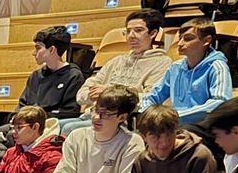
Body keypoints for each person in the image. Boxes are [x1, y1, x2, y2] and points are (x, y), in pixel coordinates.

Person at [63, 8, 173, 136]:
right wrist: (92, 95)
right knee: (53, 126)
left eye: (138, 30)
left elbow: (150, 99)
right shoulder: (116, 61)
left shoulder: (162, 62)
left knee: (69, 129)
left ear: (153, 33)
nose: (131, 36)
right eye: (128, 31)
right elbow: (81, 95)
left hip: (124, 121)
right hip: (93, 116)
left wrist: (108, 93)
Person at [49, 84, 143, 173]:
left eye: (105, 114)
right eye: (95, 111)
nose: (96, 117)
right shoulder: (76, 136)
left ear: (122, 117)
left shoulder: (132, 142)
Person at [139, 18, 233, 126]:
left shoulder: (217, 66)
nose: (180, 43)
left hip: (204, 126)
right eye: (180, 38)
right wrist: (147, 113)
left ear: (207, 41)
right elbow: (152, 96)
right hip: (174, 124)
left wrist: (174, 116)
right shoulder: (175, 68)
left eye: (188, 39)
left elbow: (219, 103)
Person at [19, 25, 85, 121]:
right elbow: (22, 106)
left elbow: (69, 113)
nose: (34, 53)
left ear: (52, 50)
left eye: (38, 48)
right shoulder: (35, 76)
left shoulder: (73, 76)